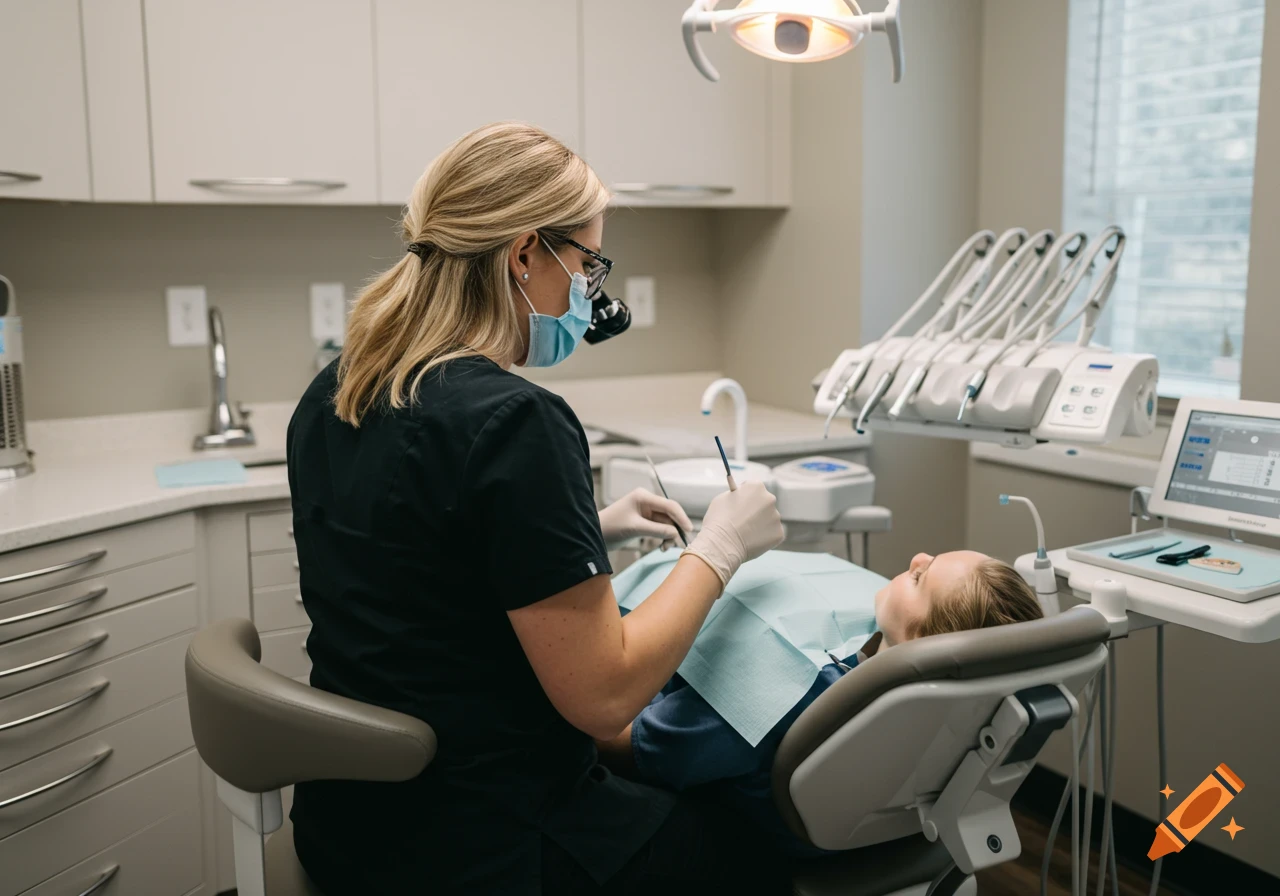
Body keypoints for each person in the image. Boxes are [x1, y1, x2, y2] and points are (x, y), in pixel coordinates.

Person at [285, 122, 788, 895]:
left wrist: (589, 529)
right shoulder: (517, 420)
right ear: (524, 254)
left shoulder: (340, 387)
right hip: (488, 847)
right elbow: (605, 695)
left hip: (352, 828)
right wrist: (720, 547)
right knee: (754, 844)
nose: (588, 291)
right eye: (585, 263)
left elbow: (414, 566)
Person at [595, 550, 1044, 854]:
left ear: (920, 640)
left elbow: (623, 744)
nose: (917, 558)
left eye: (920, 579)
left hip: (738, 843)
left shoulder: (782, 688)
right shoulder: (943, 711)